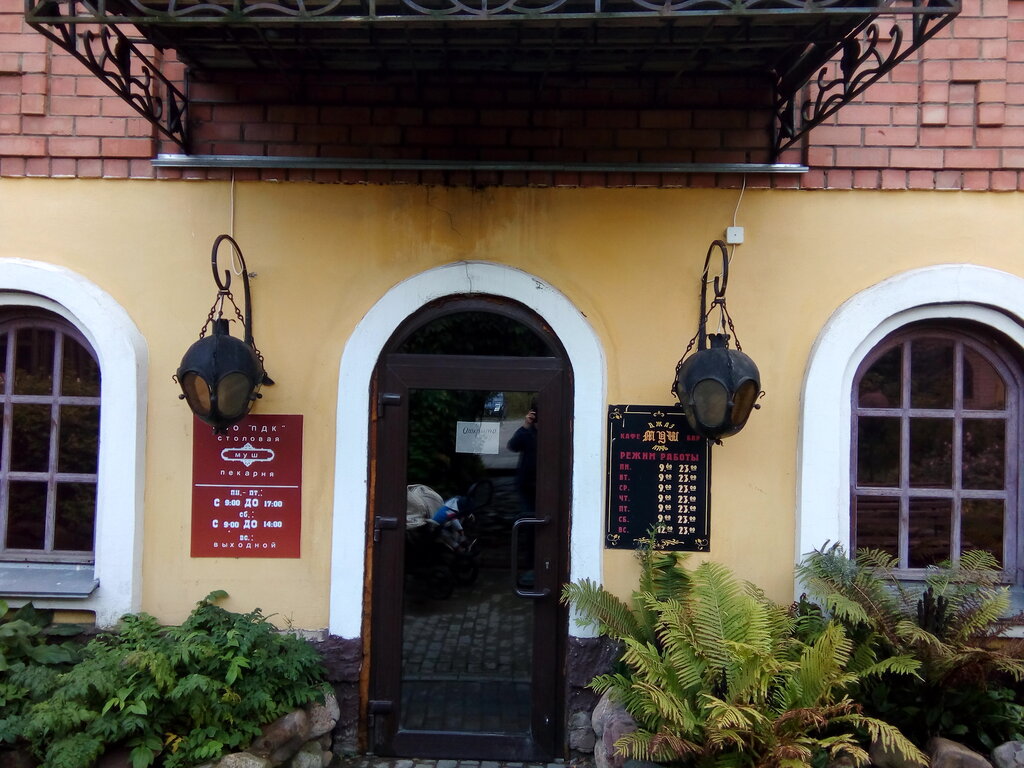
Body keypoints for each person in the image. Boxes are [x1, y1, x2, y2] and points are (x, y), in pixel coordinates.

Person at [507, 403, 537, 516]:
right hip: (527, 483)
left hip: (544, 481)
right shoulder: (528, 432)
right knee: (528, 513)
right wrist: (526, 425)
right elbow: (513, 446)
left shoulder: (551, 432)